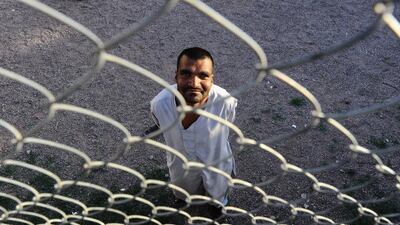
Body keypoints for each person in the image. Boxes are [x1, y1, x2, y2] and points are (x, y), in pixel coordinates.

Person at [150, 47, 237, 214]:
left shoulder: (224, 102)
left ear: (212, 79)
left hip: (217, 165)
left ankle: (218, 208)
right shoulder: (160, 105)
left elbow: (228, 121)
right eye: (186, 74)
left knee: (217, 198)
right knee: (184, 195)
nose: (194, 83)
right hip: (181, 168)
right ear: (176, 76)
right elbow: (160, 124)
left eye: (203, 76)